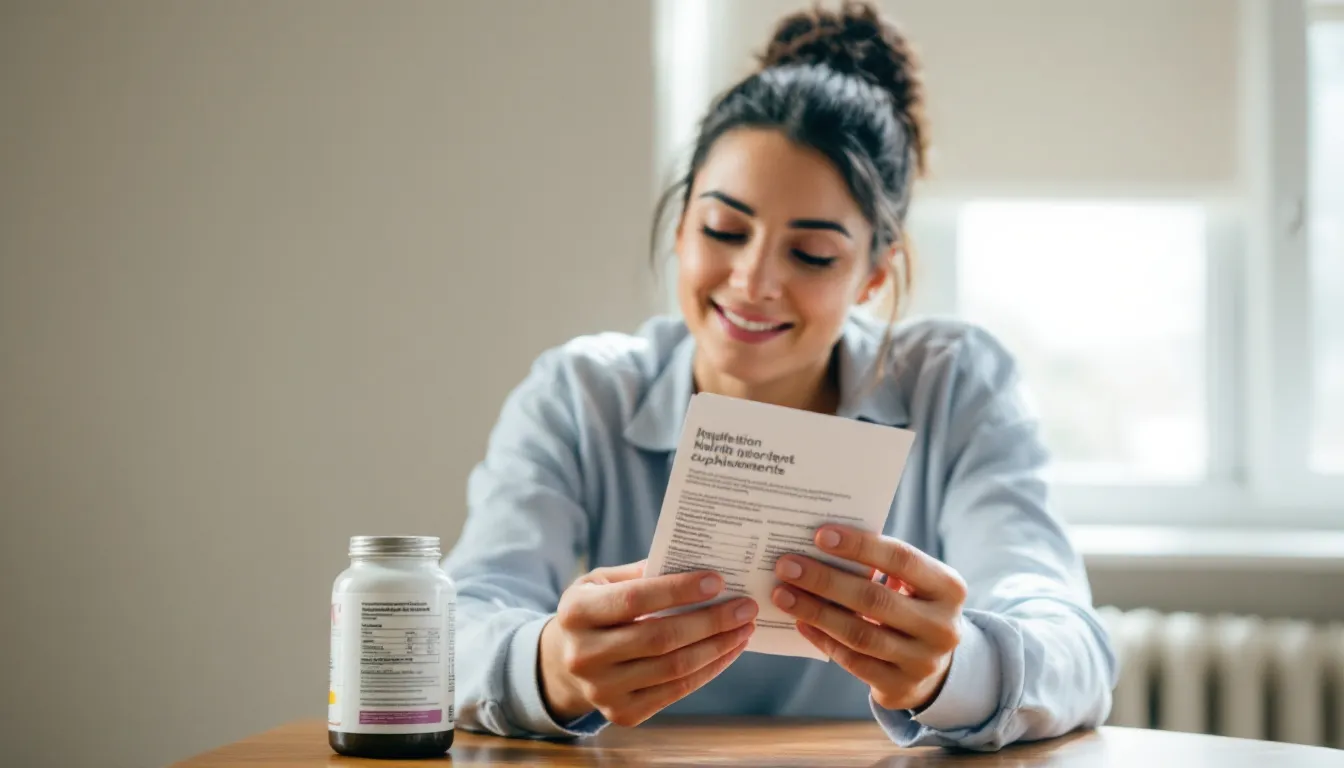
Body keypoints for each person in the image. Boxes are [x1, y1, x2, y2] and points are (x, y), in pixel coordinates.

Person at [443, 0, 1117, 751]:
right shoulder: (581, 395)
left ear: (873, 275)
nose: (753, 281)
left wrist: (952, 668)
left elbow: (1073, 649)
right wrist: (552, 668)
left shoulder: (955, 384)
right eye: (723, 230)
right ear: (679, 225)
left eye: (813, 255)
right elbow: (460, 624)